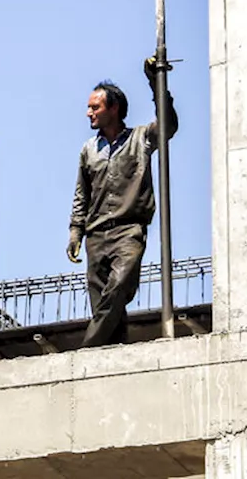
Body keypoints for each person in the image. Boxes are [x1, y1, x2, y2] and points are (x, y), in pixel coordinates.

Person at [66, 58, 179, 348]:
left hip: (128, 232)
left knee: (118, 290)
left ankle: (88, 349)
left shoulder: (140, 138)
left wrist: (157, 84)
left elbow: (169, 125)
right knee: (104, 304)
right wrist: (76, 232)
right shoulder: (89, 150)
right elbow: (82, 194)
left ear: (113, 109)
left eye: (95, 107)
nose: (88, 112)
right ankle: (109, 357)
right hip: (96, 236)